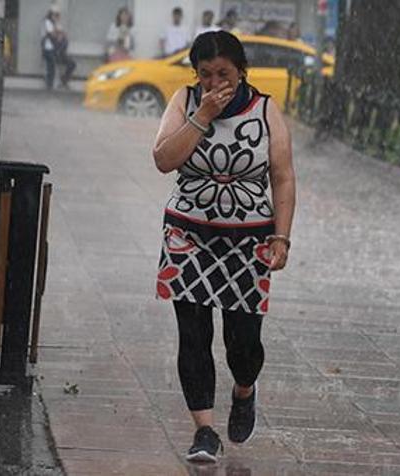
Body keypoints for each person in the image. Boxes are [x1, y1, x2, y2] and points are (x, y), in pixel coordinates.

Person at [152, 31, 295, 463]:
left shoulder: (266, 109)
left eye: (224, 74)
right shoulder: (185, 101)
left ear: (241, 71)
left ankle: (244, 389)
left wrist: (282, 237)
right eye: (206, 74)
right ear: (195, 74)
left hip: (249, 240)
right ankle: (204, 431)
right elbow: (163, 158)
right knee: (194, 335)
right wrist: (202, 116)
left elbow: (283, 177)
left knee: (243, 343)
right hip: (188, 235)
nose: (215, 83)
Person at [40, 6, 76, 89]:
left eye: (58, 15)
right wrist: (58, 33)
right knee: (51, 67)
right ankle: (50, 85)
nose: (57, 17)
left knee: (72, 64)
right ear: (51, 14)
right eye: (55, 15)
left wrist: (59, 33)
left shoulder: (56, 23)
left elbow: (63, 35)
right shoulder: (47, 22)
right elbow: (53, 35)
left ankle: (64, 80)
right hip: (49, 50)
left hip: (59, 51)